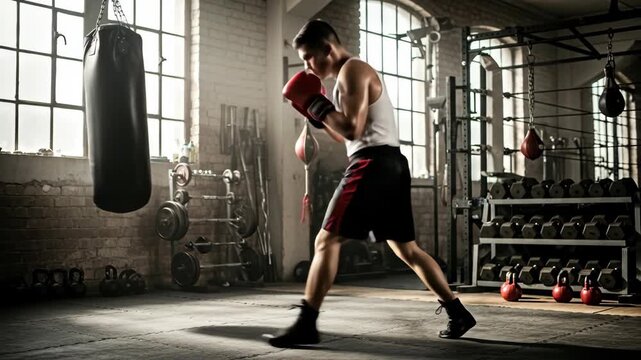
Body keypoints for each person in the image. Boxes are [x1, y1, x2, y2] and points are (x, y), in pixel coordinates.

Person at [269, 19, 476, 348]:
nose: (307, 66)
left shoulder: (353, 70)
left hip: (372, 163)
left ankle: (307, 324)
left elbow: (352, 129)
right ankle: (458, 312)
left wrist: (314, 103)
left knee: (326, 242)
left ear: (328, 48)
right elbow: (342, 134)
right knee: (406, 249)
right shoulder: (345, 77)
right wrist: (313, 113)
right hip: (389, 163)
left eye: (309, 57)